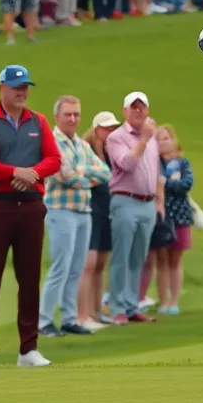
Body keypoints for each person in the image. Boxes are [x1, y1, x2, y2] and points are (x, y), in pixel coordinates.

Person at [0, 64, 62, 368]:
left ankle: (28, 348)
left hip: (31, 206)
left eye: (24, 87)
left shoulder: (39, 121)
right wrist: (14, 172)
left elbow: (54, 159)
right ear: (1, 89)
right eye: (15, 87)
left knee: (29, 278)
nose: (21, 92)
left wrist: (32, 173)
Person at [39, 95, 112, 337]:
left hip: (83, 210)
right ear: (57, 117)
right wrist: (83, 176)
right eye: (68, 114)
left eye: (76, 114)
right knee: (60, 266)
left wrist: (81, 174)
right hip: (60, 210)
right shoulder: (51, 142)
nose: (73, 118)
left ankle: (69, 318)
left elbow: (104, 172)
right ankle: (44, 321)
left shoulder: (81, 144)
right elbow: (65, 175)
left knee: (76, 267)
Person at [105, 91, 162, 326]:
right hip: (125, 200)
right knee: (121, 256)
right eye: (133, 107)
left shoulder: (152, 138)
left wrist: (159, 201)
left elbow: (155, 171)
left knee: (139, 257)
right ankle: (117, 307)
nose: (138, 111)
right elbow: (126, 163)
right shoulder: (116, 137)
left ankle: (131, 306)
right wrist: (143, 140)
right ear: (125, 111)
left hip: (147, 203)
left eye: (142, 107)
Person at [77, 111, 120, 330]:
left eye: (113, 128)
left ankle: (96, 313)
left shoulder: (112, 152)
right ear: (96, 129)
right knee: (88, 264)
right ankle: (82, 315)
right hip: (90, 208)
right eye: (106, 128)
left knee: (100, 264)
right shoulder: (86, 149)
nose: (110, 131)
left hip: (106, 211)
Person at [154, 125, 193, 314]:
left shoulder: (182, 163)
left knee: (175, 259)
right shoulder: (153, 163)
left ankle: (174, 301)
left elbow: (186, 184)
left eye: (166, 138)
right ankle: (163, 300)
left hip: (180, 214)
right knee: (161, 259)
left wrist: (166, 183)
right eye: (159, 139)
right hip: (161, 215)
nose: (163, 142)